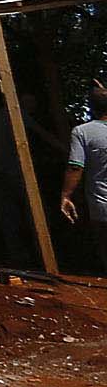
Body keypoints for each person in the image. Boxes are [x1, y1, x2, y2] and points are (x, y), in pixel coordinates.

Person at [63, 79, 107, 278]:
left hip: (102, 202)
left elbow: (76, 166)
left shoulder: (82, 132)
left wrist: (66, 194)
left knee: (103, 243)